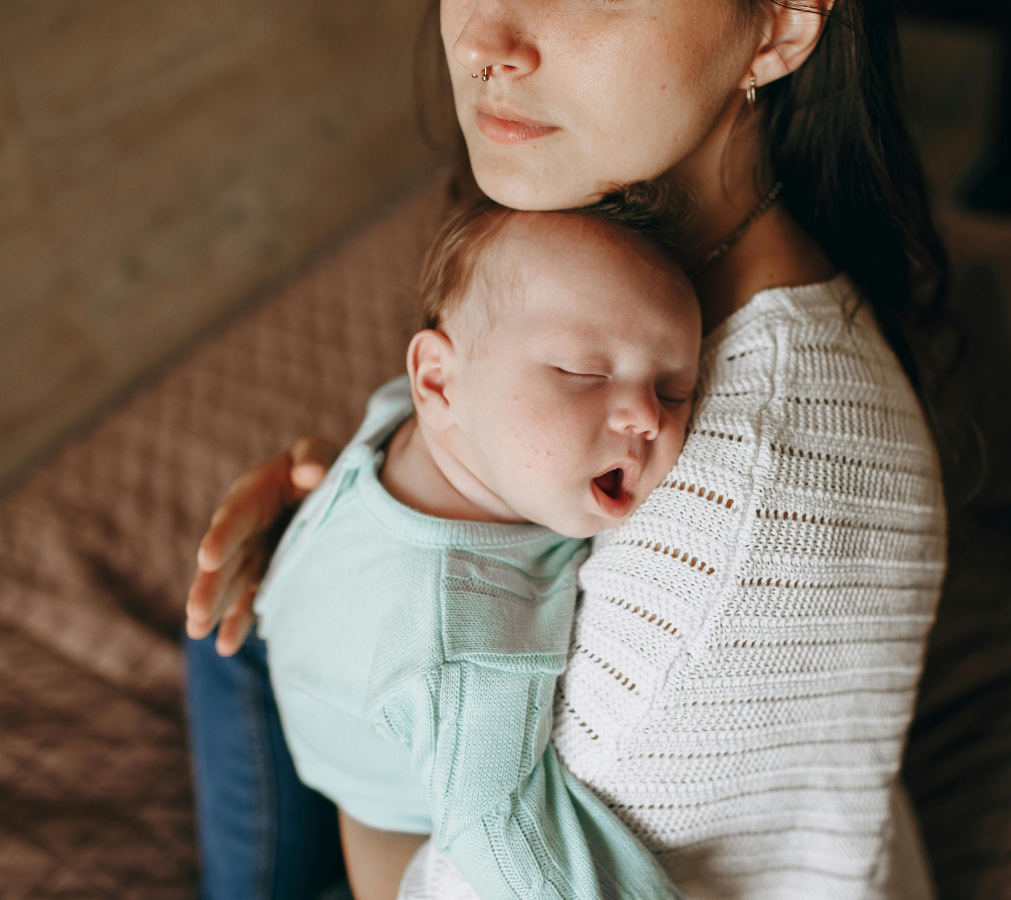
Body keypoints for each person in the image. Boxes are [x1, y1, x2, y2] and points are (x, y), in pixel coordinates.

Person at [185, 0, 950, 897]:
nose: (479, 42)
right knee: (224, 638)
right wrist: (362, 505)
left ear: (780, 24)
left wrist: (364, 686)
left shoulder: (735, 533)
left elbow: (478, 865)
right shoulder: (616, 232)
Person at [256, 199, 701, 900]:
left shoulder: (425, 426)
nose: (646, 417)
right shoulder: (466, 639)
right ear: (437, 381)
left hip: (333, 715)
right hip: (359, 780)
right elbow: (512, 845)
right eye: (585, 371)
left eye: (674, 390)